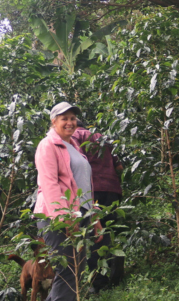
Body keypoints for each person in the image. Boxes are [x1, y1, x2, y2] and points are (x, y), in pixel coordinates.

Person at [33, 102, 102, 301]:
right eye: (65, 119)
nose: (70, 123)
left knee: (76, 271)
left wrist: (94, 216)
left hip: (79, 214)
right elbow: (50, 184)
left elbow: (84, 186)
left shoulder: (74, 146)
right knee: (68, 271)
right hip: (58, 216)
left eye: (72, 118)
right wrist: (65, 219)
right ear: (54, 121)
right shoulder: (48, 145)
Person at [72, 120, 124, 292]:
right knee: (109, 232)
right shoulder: (103, 138)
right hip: (112, 190)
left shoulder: (75, 136)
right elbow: (120, 166)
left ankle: (98, 283)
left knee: (94, 236)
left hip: (90, 191)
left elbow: (73, 162)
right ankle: (115, 278)